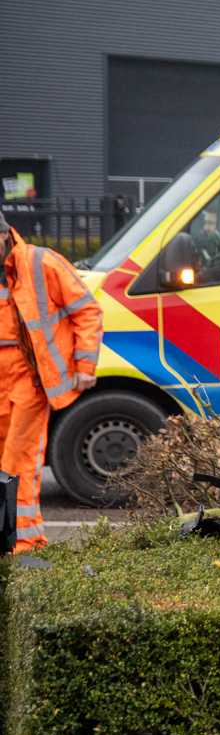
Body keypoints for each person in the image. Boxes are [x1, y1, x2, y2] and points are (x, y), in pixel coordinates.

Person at [0, 212, 102, 550]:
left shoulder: (41, 263)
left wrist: (85, 365)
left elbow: (87, 310)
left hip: (29, 378)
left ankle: (24, 541)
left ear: (3, 236)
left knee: (19, 460)